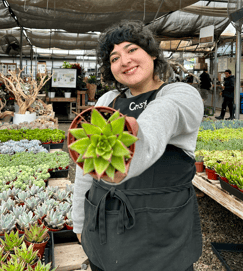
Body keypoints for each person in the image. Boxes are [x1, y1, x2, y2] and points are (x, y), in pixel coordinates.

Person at [72, 20, 203, 271]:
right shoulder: (107, 100)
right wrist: (79, 223)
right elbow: (84, 169)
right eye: (114, 57)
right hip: (105, 226)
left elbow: (161, 118)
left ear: (152, 54)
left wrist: (130, 149)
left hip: (162, 230)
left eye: (132, 49)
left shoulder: (179, 95)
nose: (124, 60)